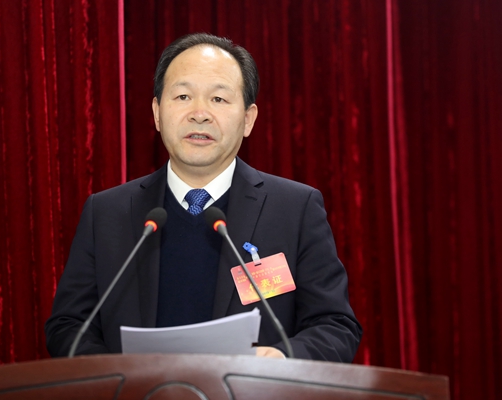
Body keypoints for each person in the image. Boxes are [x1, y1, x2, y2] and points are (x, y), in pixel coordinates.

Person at [45, 33, 362, 361]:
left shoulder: (294, 209)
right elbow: (68, 325)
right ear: (156, 112)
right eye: (183, 96)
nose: (199, 113)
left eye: (218, 99)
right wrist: (115, 376)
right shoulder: (107, 213)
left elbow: (335, 325)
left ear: (248, 119)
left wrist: (282, 358)